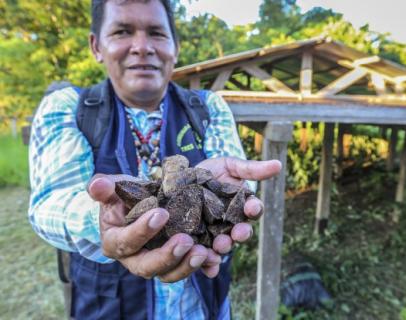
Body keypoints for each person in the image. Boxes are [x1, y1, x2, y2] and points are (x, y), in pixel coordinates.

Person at [27, 0, 281, 319]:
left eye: (157, 33)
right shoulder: (68, 108)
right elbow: (48, 205)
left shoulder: (208, 107)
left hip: (204, 308)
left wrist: (233, 193)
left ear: (175, 46)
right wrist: (100, 217)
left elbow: (237, 181)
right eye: (122, 31)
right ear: (96, 46)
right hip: (106, 308)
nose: (142, 47)